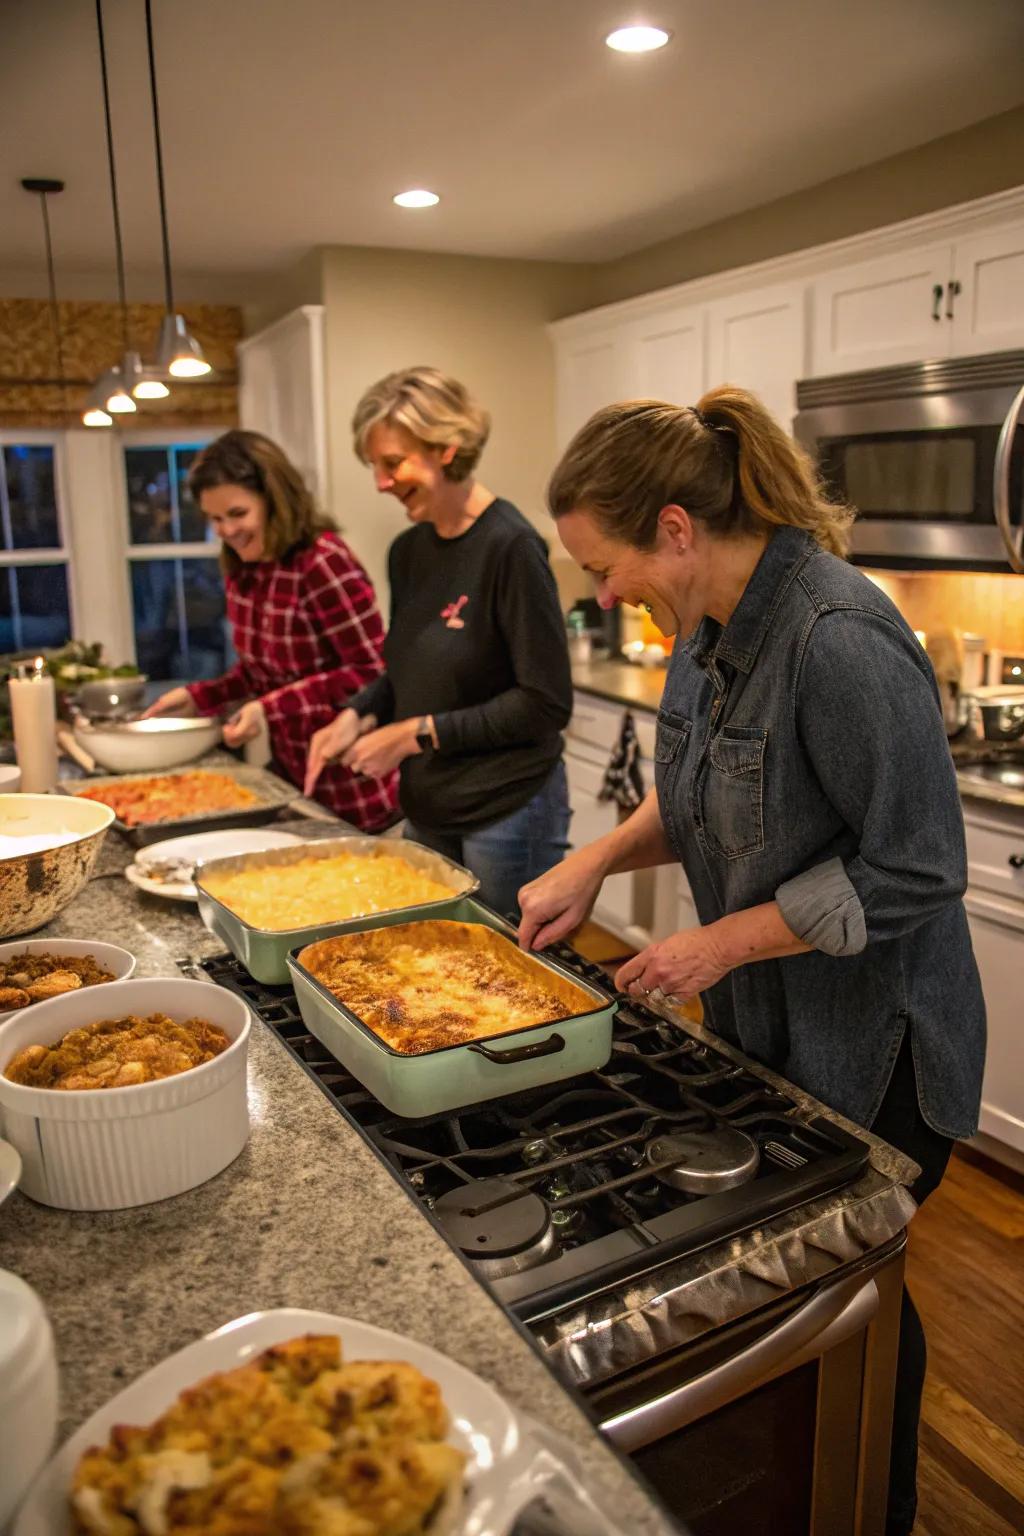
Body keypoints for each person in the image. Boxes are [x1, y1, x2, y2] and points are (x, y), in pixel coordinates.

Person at [517, 387, 986, 1536]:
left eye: (604, 565)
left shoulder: (839, 639)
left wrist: (718, 941)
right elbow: (694, 797)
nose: (600, 592)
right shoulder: (706, 632)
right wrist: (595, 865)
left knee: (853, 1279)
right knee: (792, 1273)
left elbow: (922, 870)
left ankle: (873, 1508)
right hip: (768, 1021)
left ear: (675, 529)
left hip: (876, 1040)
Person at [305, 367, 571, 917]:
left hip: (506, 812)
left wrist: (415, 735)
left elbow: (545, 704)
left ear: (447, 449)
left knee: (505, 979)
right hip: (429, 808)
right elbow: (409, 669)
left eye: (392, 463)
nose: (380, 482)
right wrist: (357, 714)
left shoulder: (512, 547)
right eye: (373, 466)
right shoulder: (409, 551)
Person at [145, 429, 396, 831]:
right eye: (215, 519)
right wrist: (200, 697)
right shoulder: (244, 567)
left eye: (237, 514)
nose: (226, 530)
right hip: (293, 782)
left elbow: (371, 672)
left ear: (274, 501)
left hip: (357, 788)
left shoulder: (323, 562)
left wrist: (269, 708)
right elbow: (260, 672)